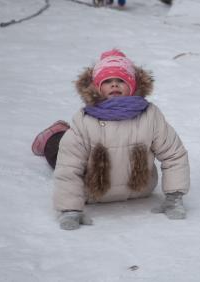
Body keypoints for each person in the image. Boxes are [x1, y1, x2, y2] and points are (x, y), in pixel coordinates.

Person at [32, 49, 190, 230]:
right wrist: (70, 209)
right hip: (91, 192)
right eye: (107, 81)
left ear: (131, 85)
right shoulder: (85, 120)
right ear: (97, 87)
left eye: (121, 80)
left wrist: (174, 197)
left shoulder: (150, 116)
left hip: (139, 189)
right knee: (59, 152)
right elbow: (69, 168)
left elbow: (173, 154)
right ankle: (53, 136)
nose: (114, 85)